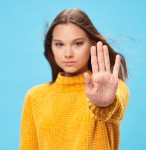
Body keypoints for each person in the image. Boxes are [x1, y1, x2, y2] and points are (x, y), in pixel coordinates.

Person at [20, 8, 130, 150]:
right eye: (59, 44)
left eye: (78, 43)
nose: (68, 54)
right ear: (51, 47)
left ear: (92, 44)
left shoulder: (114, 88)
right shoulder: (35, 96)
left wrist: (104, 105)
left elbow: (114, 110)